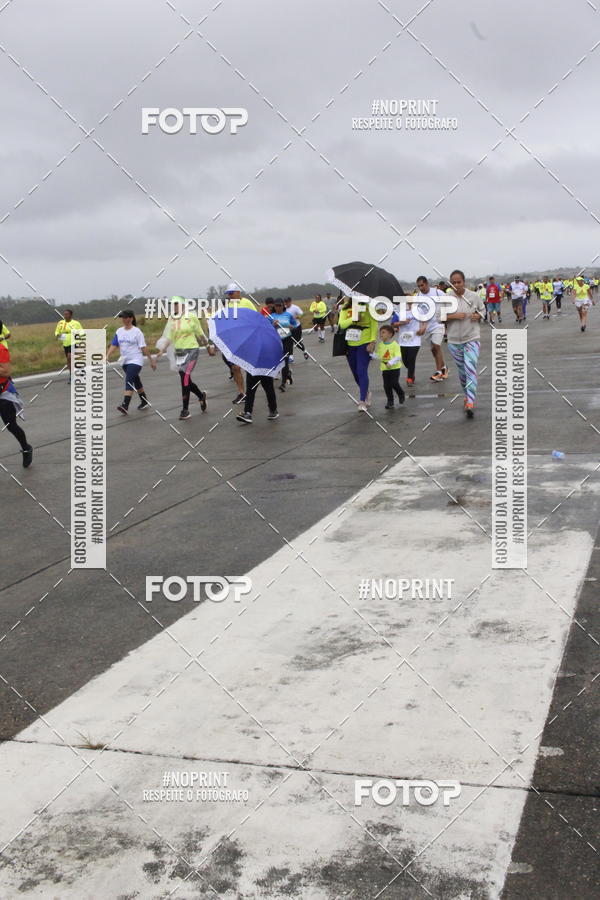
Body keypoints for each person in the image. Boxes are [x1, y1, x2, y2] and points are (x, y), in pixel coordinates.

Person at [155, 297, 213, 419]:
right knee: (185, 379)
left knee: (185, 378)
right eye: (172, 304)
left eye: (176, 304)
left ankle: (185, 410)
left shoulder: (191, 316)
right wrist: (162, 350)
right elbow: (169, 337)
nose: (174, 306)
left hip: (192, 350)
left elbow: (200, 333)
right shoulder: (172, 319)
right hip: (179, 352)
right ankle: (200, 395)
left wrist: (207, 346)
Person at [446, 269, 486, 418]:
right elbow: (438, 317)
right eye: (454, 282)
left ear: (464, 282)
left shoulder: (474, 296)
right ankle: (466, 394)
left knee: (470, 369)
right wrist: (453, 316)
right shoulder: (446, 298)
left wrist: (479, 315)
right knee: (463, 373)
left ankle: (470, 401)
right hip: (454, 341)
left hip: (472, 338)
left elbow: (483, 310)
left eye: (459, 282)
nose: (456, 285)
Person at [107, 310, 156, 415]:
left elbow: (143, 347)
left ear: (131, 318)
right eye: (122, 318)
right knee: (136, 380)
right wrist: (107, 355)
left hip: (136, 360)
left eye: (125, 317)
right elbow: (114, 344)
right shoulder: (119, 331)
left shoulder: (137, 332)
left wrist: (151, 360)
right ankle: (144, 401)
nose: (124, 320)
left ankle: (125, 405)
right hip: (125, 361)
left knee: (129, 380)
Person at [338, 297, 378, 412]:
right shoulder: (345, 308)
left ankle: (361, 401)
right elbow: (341, 324)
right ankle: (366, 392)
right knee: (355, 373)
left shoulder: (368, 307)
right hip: (350, 344)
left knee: (361, 371)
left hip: (364, 344)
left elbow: (373, 324)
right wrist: (353, 319)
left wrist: (372, 341)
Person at [0, 340, 32, 466]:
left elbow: (6, 372)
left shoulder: (1, 349)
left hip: (4, 393)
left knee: (10, 425)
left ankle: (26, 448)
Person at [224, 283, 257, 402]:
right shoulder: (229, 304)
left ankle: (250, 391)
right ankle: (242, 393)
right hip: (235, 340)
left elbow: (255, 317)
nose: (230, 296)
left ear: (238, 292)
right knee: (235, 368)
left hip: (248, 338)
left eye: (231, 293)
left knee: (248, 368)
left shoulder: (247, 303)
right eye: (228, 294)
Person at [412, 276, 448, 382]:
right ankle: (444, 368)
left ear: (427, 283)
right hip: (427, 327)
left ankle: (438, 373)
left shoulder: (438, 293)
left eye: (422, 285)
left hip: (438, 324)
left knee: (436, 346)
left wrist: (445, 316)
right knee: (434, 350)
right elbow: (418, 313)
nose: (421, 288)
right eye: (418, 286)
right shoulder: (418, 296)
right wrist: (421, 327)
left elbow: (449, 302)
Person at [393, 304, 426, 385]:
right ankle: (411, 372)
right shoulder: (398, 312)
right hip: (403, 341)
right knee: (405, 360)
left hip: (415, 339)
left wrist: (423, 328)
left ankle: (410, 378)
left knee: (411, 358)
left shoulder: (419, 310)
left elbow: (425, 322)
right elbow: (393, 324)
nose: (410, 304)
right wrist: (401, 323)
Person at [373, 325, 405, 409]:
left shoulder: (395, 345)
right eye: (380, 333)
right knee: (386, 385)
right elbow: (379, 356)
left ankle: (401, 393)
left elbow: (398, 356)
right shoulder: (380, 345)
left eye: (383, 332)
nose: (381, 334)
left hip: (394, 368)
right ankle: (390, 401)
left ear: (390, 334)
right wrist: (371, 354)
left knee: (394, 383)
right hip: (385, 369)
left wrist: (391, 362)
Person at [270, 298, 298, 391]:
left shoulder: (288, 315)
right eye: (276, 305)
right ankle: (288, 373)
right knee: (278, 361)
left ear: (283, 306)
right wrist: (273, 326)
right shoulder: (271, 316)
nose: (278, 307)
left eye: (280, 305)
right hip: (276, 341)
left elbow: (295, 325)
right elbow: (266, 329)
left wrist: (291, 327)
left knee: (284, 361)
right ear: (274, 306)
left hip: (287, 339)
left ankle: (283, 383)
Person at [54, 308, 83, 383]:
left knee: (70, 357)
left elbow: (81, 332)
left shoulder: (76, 323)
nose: (65, 316)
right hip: (65, 343)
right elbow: (57, 331)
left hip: (74, 342)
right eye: (64, 314)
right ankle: (77, 371)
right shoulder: (60, 323)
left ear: (71, 315)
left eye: (67, 314)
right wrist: (57, 335)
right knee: (69, 360)